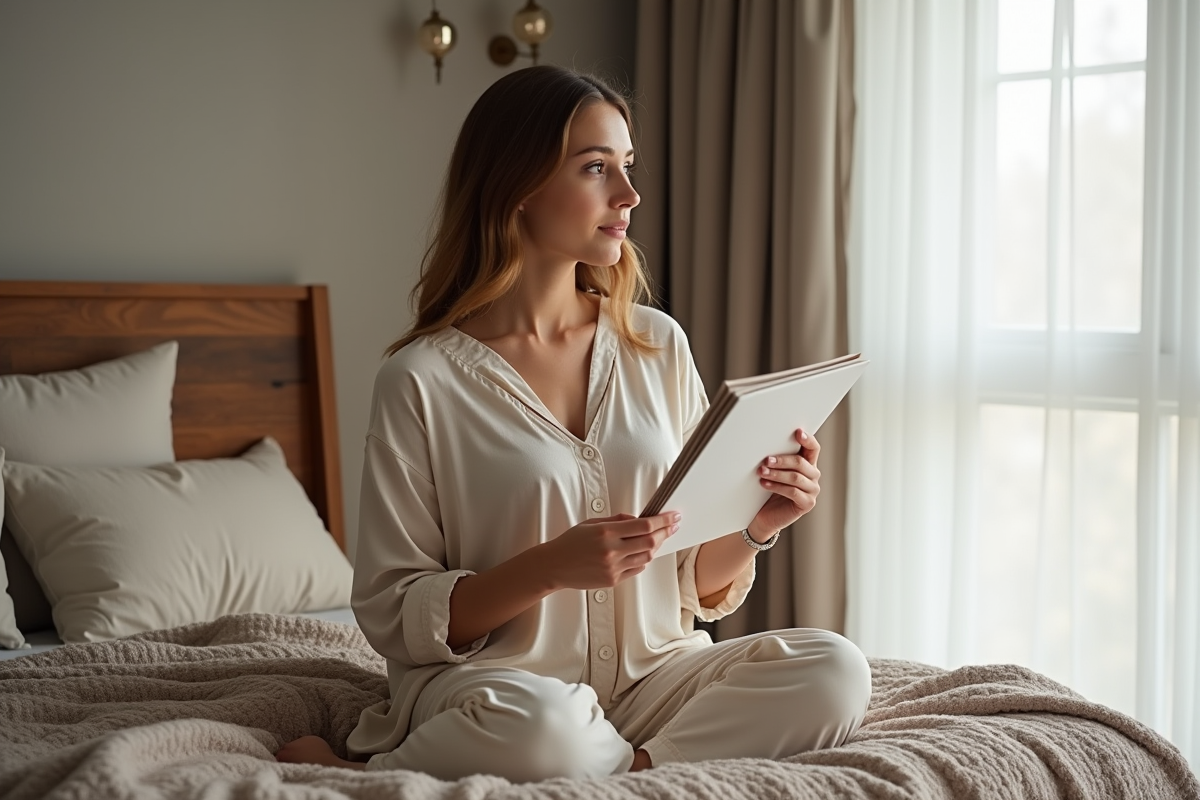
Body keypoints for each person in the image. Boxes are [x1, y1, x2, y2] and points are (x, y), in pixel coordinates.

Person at [275, 65, 871, 783]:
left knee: (835, 668)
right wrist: (550, 567)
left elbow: (685, 581)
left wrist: (756, 527)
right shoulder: (422, 380)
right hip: (505, 689)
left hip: (656, 679)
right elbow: (395, 614)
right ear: (517, 185)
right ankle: (371, 767)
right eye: (596, 168)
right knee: (544, 732)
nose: (629, 194)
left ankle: (627, 767)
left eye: (625, 166)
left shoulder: (656, 344)